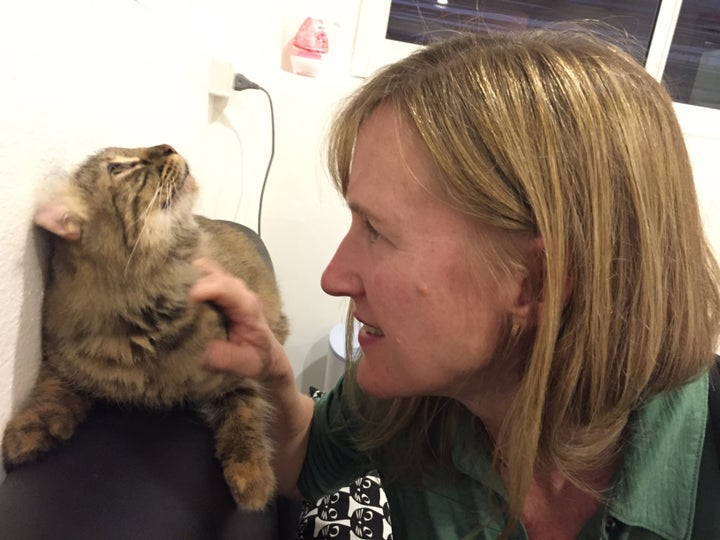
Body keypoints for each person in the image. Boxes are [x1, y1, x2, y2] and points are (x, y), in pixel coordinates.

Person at [190, 27, 720, 540]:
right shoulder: (413, 392)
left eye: (377, 230)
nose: (333, 278)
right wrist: (271, 374)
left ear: (534, 283)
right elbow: (301, 458)